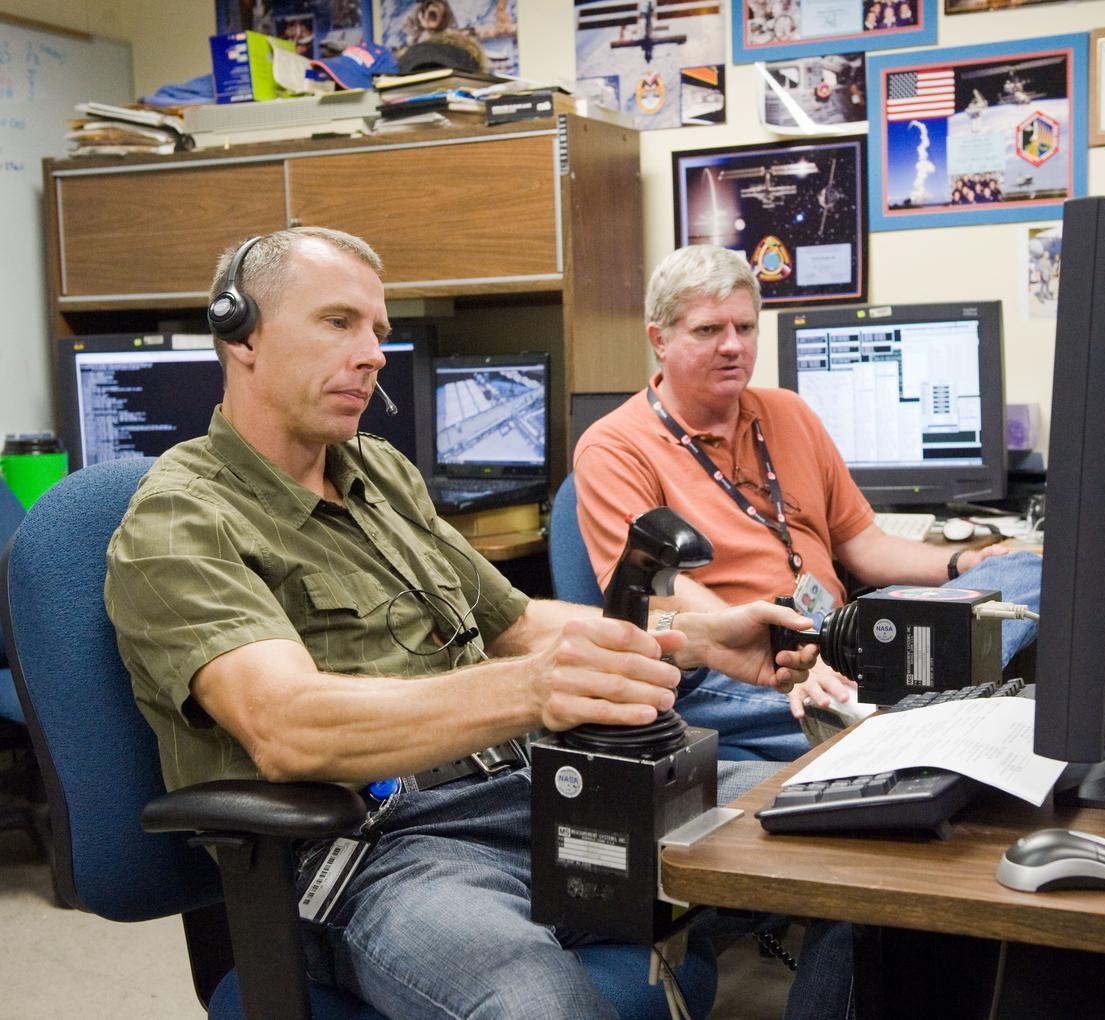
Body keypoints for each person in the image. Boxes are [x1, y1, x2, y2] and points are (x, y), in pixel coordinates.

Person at [105, 228, 853, 1020]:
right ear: (241, 332)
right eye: (339, 323)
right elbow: (288, 727)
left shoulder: (379, 474)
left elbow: (523, 621)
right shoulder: (182, 518)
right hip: (383, 846)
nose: (373, 354)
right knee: (540, 1004)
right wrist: (532, 691)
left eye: (379, 332)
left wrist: (697, 637)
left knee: (849, 836)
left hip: (531, 788)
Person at [575, 245, 1043, 761]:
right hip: (734, 657)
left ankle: (909, 705)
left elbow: (863, 543)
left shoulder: (789, 412)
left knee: (1025, 569)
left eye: (745, 328)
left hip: (841, 635)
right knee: (878, 709)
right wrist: (781, 651)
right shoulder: (614, 446)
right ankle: (918, 710)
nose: (733, 346)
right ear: (659, 340)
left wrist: (961, 562)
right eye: (708, 330)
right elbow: (663, 593)